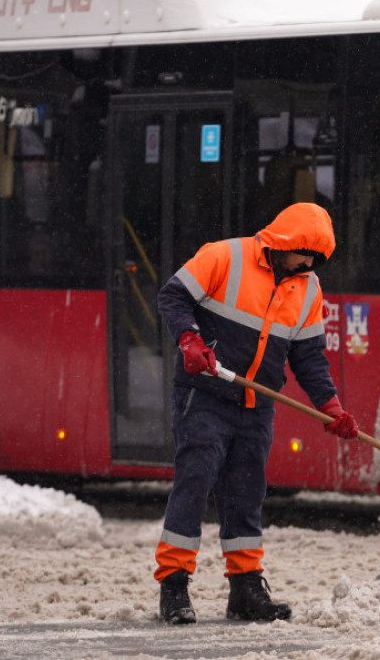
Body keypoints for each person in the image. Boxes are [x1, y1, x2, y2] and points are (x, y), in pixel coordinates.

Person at [154, 202, 359, 625]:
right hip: (204, 394)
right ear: (287, 242)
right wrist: (190, 341)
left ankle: (245, 587)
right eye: (306, 254)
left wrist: (331, 407)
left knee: (246, 495)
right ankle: (174, 585)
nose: (309, 264)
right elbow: (173, 297)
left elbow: (309, 359)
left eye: (317, 259)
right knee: (195, 483)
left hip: (255, 406)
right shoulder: (224, 256)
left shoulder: (308, 288)